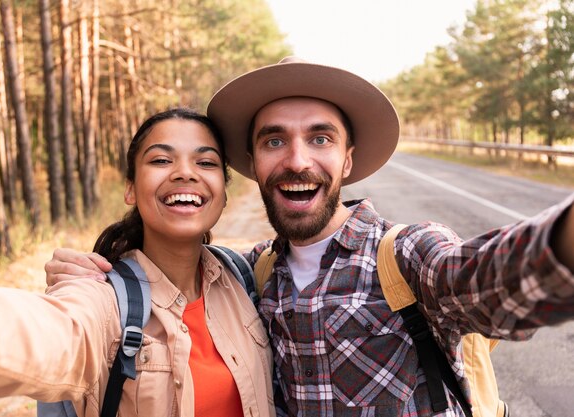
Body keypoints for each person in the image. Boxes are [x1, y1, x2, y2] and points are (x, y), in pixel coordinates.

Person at [46, 58, 574, 417]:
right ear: (254, 164)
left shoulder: (406, 255)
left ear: (346, 160)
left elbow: (494, 277)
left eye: (319, 138)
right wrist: (104, 274)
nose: (297, 160)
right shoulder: (248, 276)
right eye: (275, 140)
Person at [0, 108, 276, 417]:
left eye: (205, 163)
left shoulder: (243, 277)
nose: (185, 173)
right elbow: (44, 336)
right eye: (162, 160)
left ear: (224, 191)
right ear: (130, 188)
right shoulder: (104, 299)